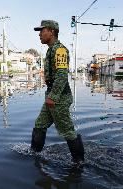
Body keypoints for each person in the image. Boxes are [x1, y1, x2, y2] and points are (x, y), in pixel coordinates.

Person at [31, 20, 84, 164]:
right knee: (40, 124)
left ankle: (79, 162)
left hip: (59, 97)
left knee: (67, 130)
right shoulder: (51, 49)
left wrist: (53, 97)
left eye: (42, 31)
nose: (40, 34)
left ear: (51, 31)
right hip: (52, 96)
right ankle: (34, 154)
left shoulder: (59, 50)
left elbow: (62, 75)